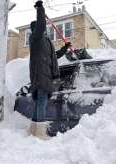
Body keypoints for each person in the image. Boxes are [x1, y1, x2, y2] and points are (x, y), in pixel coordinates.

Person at [29, 0, 71, 139]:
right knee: (41, 102)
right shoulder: (36, 38)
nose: (44, 29)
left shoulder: (45, 43)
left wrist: (64, 49)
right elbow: (40, 25)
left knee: (40, 103)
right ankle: (40, 132)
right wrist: (40, 10)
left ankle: (33, 130)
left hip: (46, 76)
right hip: (40, 75)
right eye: (41, 28)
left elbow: (54, 58)